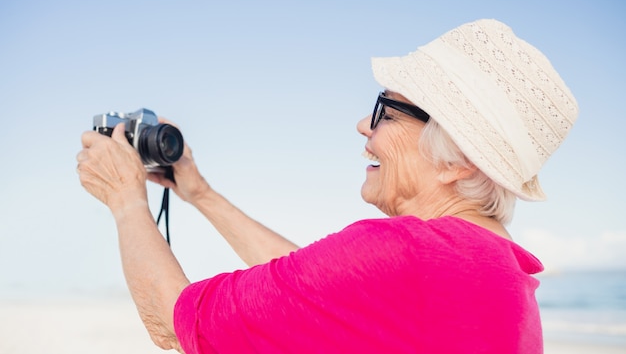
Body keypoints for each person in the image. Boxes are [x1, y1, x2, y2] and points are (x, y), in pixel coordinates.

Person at [77, 18, 579, 354]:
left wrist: (124, 197)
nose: (365, 124)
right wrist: (199, 193)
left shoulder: (404, 253)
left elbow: (177, 322)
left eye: (386, 109)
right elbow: (314, 289)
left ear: (460, 161)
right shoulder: (500, 272)